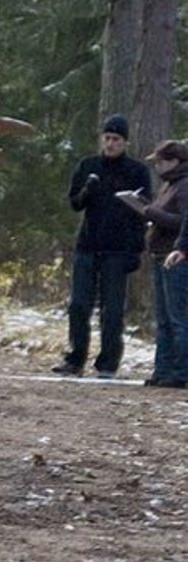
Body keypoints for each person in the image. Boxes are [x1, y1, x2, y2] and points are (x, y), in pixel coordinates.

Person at [51, 115, 152, 380]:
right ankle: (75, 358)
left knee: (113, 308)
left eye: (116, 139)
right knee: (79, 305)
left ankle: (107, 363)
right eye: (106, 138)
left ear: (125, 142)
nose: (110, 144)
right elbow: (74, 203)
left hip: (118, 250)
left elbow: (145, 210)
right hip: (88, 245)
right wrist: (87, 190)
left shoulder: (137, 171)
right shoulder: (88, 165)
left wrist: (136, 250)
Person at [147, 140, 188, 388]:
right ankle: (162, 369)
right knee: (163, 317)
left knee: (177, 317)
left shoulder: (184, 186)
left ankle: (180, 372)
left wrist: (152, 213)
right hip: (161, 254)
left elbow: (183, 221)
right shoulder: (168, 185)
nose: (158, 166)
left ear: (175, 161)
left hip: (175, 256)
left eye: (161, 161)